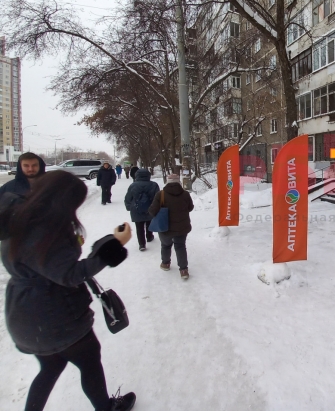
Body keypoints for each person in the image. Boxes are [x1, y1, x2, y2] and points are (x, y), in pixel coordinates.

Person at [0, 170, 136, 411]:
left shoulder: (20, 218)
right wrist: (116, 245)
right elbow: (71, 274)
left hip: (24, 313)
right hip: (53, 315)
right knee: (90, 363)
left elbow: (50, 264)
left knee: (51, 366)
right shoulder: (41, 231)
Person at [149, 174, 194, 279]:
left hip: (165, 227)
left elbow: (152, 211)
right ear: (179, 182)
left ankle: (165, 264)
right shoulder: (185, 194)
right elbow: (190, 208)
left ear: (167, 182)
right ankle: (184, 270)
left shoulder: (161, 194)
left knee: (165, 245)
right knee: (180, 246)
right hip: (182, 227)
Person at [124, 168, 160, 252]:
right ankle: (149, 236)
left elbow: (128, 198)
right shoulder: (154, 185)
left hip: (136, 208)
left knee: (139, 227)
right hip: (150, 208)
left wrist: (129, 207)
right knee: (149, 223)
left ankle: (141, 244)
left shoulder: (133, 185)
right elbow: (158, 197)